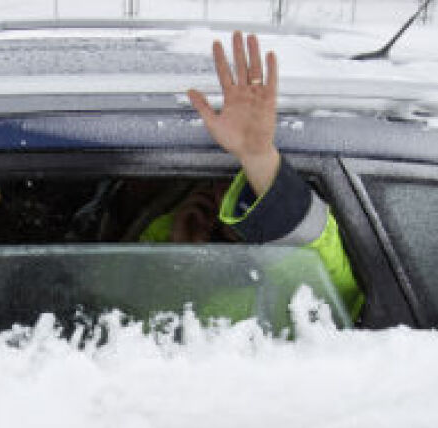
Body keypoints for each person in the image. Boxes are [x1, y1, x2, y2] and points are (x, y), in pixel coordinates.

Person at [141, 31, 364, 320]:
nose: (222, 194)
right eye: (215, 182)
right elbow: (117, 303)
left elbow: (324, 273)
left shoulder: (297, 283)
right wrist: (179, 259)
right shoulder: (169, 230)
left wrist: (257, 157)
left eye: (242, 186)